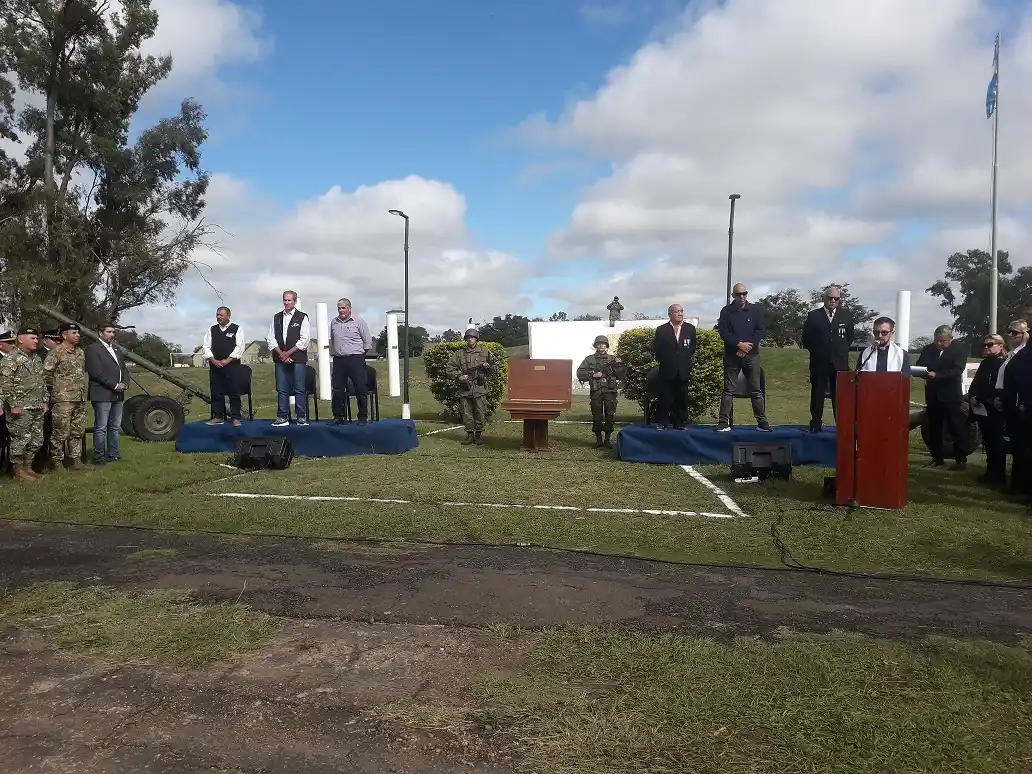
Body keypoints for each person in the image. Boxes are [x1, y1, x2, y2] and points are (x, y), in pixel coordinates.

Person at [715, 282, 770, 431]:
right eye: (738, 294)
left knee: (756, 390)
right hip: (732, 356)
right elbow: (723, 332)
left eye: (744, 294)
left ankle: (762, 422)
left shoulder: (755, 310)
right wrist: (738, 344)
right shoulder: (726, 311)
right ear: (733, 296)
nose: (742, 297)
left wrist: (747, 347)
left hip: (751, 356)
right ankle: (723, 422)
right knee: (728, 390)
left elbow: (760, 331)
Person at [914, 325, 969, 469]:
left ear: (950, 338)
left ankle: (960, 459)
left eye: (942, 341)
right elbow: (920, 364)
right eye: (936, 340)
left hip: (951, 396)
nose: (939, 344)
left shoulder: (959, 350)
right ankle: (937, 458)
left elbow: (957, 370)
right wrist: (920, 371)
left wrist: (937, 375)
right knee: (934, 428)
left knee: (956, 427)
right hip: (933, 395)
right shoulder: (928, 349)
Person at [801, 284, 854, 432]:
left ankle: (842, 425)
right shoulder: (814, 315)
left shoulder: (846, 315)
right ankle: (816, 423)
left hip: (839, 362)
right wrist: (818, 351)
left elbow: (849, 337)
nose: (833, 301)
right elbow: (806, 339)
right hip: (819, 361)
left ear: (840, 300)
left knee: (840, 395)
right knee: (818, 393)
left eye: (836, 298)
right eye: (830, 298)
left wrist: (840, 350)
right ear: (825, 298)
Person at [0, 326, 48, 483]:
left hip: (36, 406)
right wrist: (13, 405)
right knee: (20, 440)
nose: (36, 341)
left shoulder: (36, 358)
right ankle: (18, 472)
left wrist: (45, 400)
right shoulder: (10, 359)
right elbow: (6, 385)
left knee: (37, 440)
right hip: (20, 408)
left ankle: (28, 467)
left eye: (36, 338)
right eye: (32, 338)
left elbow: (42, 382)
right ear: (20, 339)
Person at [42, 322, 89, 471]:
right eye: (73, 333)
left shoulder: (80, 352)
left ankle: (75, 460)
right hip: (63, 399)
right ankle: (57, 462)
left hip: (79, 398)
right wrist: (57, 390)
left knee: (77, 431)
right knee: (60, 431)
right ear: (63, 335)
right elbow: (46, 375)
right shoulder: (56, 352)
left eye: (78, 333)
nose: (77, 335)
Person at [85, 322, 129, 464]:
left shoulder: (116, 349)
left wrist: (125, 383)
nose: (111, 334)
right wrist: (114, 385)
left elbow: (124, 369)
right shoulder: (92, 349)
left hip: (118, 394)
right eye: (109, 332)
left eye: (113, 332)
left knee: (114, 427)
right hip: (102, 393)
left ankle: (113, 454)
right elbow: (95, 372)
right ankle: (99, 457)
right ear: (100, 333)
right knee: (101, 427)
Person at [267, 290, 310, 426]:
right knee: (282, 388)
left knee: (299, 388)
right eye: (285, 300)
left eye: (289, 300)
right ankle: (282, 416)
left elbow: (304, 339)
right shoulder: (276, 317)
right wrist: (282, 354)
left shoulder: (302, 317)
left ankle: (301, 416)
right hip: (280, 359)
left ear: (295, 301)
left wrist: (288, 353)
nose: (286, 302)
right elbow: (270, 338)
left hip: (298, 358)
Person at [968, 332, 1006, 485]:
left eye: (990, 344)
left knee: (997, 442)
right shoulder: (985, 363)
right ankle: (990, 471)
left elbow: (998, 386)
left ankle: (998, 474)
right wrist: (972, 395)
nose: (986, 348)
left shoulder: (1002, 363)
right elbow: (977, 381)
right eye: (984, 345)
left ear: (1000, 346)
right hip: (981, 406)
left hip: (994, 407)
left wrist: (984, 397)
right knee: (988, 441)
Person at [446, 328, 497, 445]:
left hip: (479, 386)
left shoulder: (485, 352)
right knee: (466, 412)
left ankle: (478, 435)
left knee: (480, 411)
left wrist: (488, 367)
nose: (470, 339)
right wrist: (459, 376)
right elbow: (449, 368)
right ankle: (469, 435)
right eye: (468, 337)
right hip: (465, 387)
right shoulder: (459, 354)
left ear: (476, 338)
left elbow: (495, 369)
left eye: (472, 337)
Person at [652, 303, 698, 430]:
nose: (680, 314)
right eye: (676, 311)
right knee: (665, 397)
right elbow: (657, 349)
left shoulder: (690, 329)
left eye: (681, 311)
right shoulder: (662, 330)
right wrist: (667, 361)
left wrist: (684, 359)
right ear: (670, 314)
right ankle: (663, 422)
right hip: (667, 369)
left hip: (683, 369)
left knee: (681, 398)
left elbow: (692, 347)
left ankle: (680, 423)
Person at [329, 297, 373, 425]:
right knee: (337, 388)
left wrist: (359, 354)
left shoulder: (359, 322)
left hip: (356, 358)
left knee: (360, 387)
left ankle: (363, 416)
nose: (341, 311)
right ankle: (338, 416)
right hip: (339, 360)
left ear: (349, 308)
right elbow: (332, 339)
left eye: (343, 308)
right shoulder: (334, 322)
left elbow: (367, 342)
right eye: (339, 308)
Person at [576, 335, 624, 447]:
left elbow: (620, 374)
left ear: (606, 346)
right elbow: (580, 373)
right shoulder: (589, 359)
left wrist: (619, 365)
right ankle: (598, 440)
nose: (601, 345)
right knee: (597, 416)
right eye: (599, 343)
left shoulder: (613, 359)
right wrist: (592, 374)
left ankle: (607, 440)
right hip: (596, 391)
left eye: (603, 343)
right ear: (595, 346)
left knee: (609, 415)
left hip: (610, 390)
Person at [203, 306, 245, 426]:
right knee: (216, 391)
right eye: (217, 315)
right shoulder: (212, 329)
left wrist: (228, 360)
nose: (218, 317)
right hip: (215, 365)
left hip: (232, 365)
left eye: (221, 315)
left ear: (228, 316)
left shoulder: (237, 329)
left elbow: (240, 346)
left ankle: (236, 417)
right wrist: (213, 359)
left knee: (233, 391)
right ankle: (218, 416)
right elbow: (206, 346)